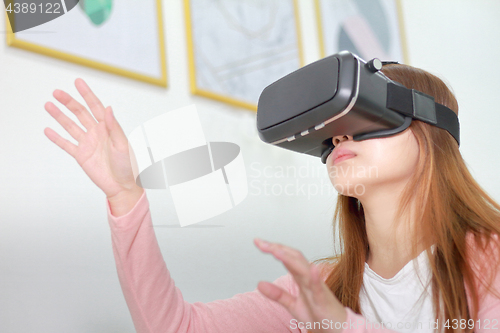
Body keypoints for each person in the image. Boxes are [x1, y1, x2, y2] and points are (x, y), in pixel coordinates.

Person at [43, 63, 500, 333]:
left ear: (430, 131)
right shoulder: (317, 291)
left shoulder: (491, 262)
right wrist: (126, 196)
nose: (340, 134)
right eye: (333, 127)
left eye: (366, 113)